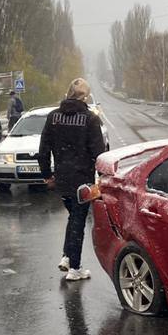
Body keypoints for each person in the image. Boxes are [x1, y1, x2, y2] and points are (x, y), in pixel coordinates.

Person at [37, 78, 106, 281]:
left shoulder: (53, 117)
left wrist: (47, 175)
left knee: (73, 217)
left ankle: (67, 256)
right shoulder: (90, 119)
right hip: (82, 180)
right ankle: (75, 269)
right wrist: (102, 179)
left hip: (61, 179)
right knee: (78, 221)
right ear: (85, 97)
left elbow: (43, 149)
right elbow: (99, 154)